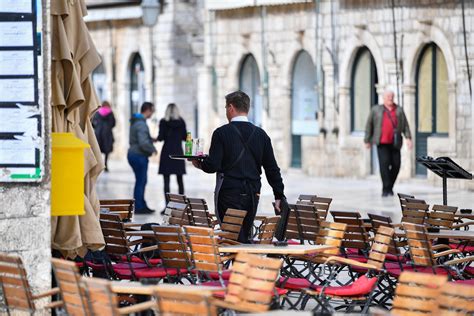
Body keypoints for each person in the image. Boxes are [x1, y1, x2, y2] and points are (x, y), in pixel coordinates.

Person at [192, 90, 285, 243]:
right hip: (253, 193)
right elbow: (272, 169)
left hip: (229, 192)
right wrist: (278, 195)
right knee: (244, 235)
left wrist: (199, 164)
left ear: (231, 108)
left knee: (231, 237)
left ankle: (237, 265)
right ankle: (241, 264)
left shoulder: (221, 133)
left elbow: (212, 165)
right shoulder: (261, 135)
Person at [364, 89, 413, 197]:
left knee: (396, 165)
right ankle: (386, 189)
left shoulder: (399, 110)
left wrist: (408, 138)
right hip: (382, 142)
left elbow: (405, 125)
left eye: (392, 96)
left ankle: (389, 186)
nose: (390, 98)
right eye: (388, 96)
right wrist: (367, 140)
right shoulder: (376, 110)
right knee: (384, 165)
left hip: (395, 142)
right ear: (383, 98)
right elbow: (369, 125)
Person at [156, 103, 188, 215]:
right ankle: (182, 205)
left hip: (167, 152)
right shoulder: (181, 121)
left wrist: (155, 139)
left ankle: (167, 206)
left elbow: (161, 137)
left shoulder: (163, 122)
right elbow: (185, 137)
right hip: (178, 152)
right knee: (180, 180)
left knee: (166, 181)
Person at [128, 102, 157, 214]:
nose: (152, 114)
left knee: (141, 181)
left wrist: (150, 139)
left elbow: (141, 138)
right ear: (148, 110)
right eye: (152, 111)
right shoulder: (141, 124)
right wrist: (152, 149)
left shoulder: (137, 122)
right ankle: (139, 206)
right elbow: (143, 143)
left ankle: (141, 204)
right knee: (141, 181)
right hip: (138, 155)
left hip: (134, 154)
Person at [92, 101, 116, 172]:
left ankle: (98, 165)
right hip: (107, 134)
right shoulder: (110, 113)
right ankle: (105, 164)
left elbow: (93, 123)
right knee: (106, 150)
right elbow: (114, 123)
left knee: (97, 150)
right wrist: (108, 127)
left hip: (98, 133)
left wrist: (97, 127)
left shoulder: (97, 113)